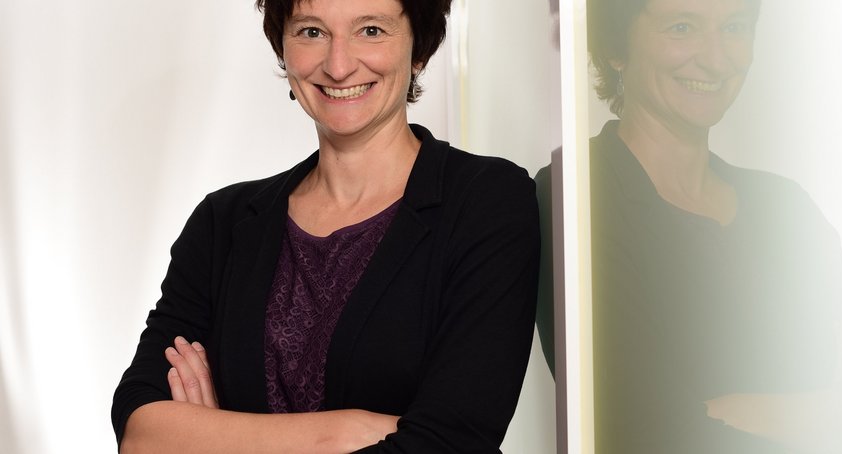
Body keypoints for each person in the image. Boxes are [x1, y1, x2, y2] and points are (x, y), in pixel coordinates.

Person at [111, 0, 541, 452]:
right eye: (312, 32)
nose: (338, 66)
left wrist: (215, 436)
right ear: (283, 47)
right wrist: (345, 432)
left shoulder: (486, 200)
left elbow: (454, 440)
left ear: (420, 49)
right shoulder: (224, 222)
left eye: (371, 31)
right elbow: (143, 432)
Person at [536, 0, 842, 452]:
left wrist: (720, 411)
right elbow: (637, 425)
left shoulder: (784, 206)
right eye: (682, 27)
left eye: (733, 27)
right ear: (616, 46)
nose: (715, 58)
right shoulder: (576, 192)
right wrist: (829, 409)